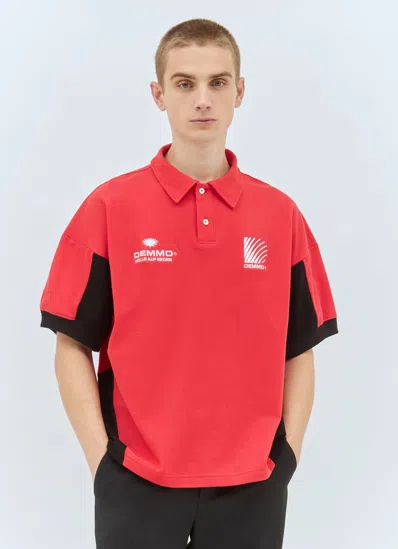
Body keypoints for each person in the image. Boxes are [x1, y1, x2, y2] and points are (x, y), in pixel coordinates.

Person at [39, 17, 339, 549]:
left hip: (253, 483)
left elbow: (301, 349)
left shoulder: (280, 216)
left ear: (239, 92)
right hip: (136, 479)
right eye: (184, 83)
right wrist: (102, 462)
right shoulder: (108, 209)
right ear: (159, 95)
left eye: (217, 82)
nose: (202, 99)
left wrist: (286, 458)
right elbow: (71, 343)